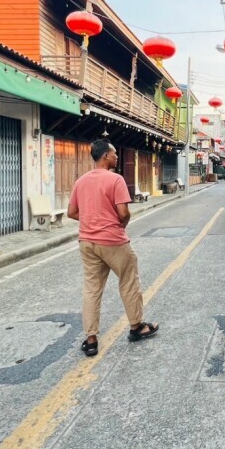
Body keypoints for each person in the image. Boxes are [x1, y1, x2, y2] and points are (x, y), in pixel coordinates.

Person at [67, 139, 158, 357]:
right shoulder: (115, 179)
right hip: (112, 241)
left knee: (91, 289)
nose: (117, 157)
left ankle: (91, 340)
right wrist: (119, 225)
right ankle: (136, 326)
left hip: (87, 242)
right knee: (128, 281)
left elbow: (71, 212)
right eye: (115, 153)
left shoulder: (81, 181)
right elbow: (123, 213)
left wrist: (91, 220)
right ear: (106, 156)